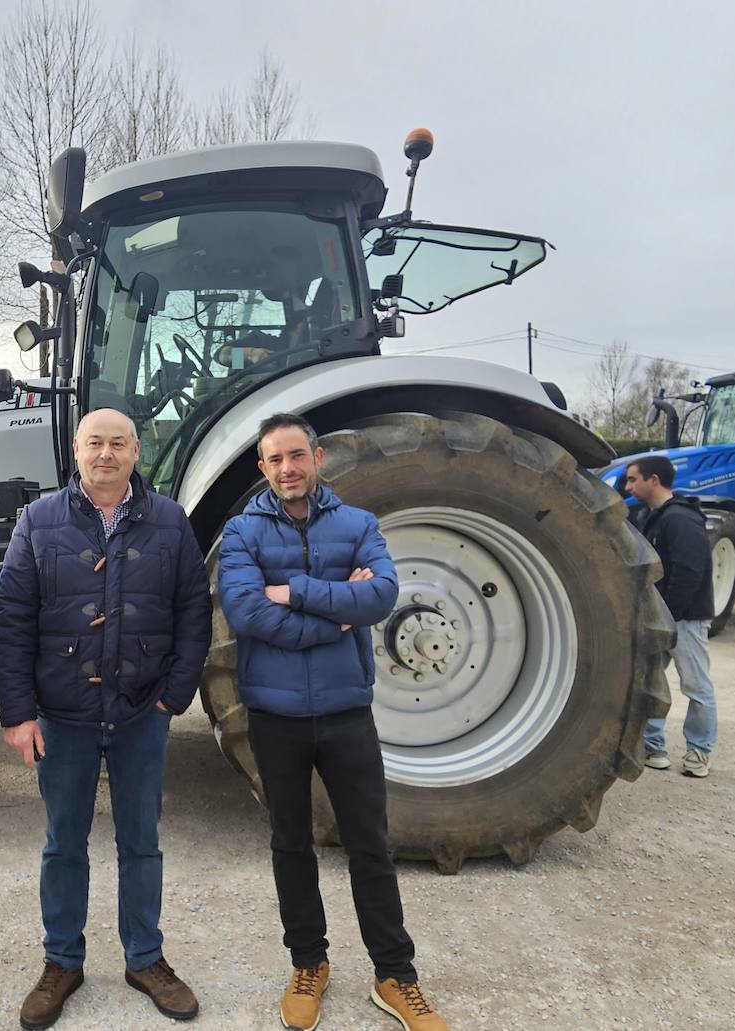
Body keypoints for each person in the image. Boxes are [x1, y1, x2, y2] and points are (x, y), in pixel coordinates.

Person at [218, 412, 449, 1031]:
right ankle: (308, 963)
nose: (287, 468)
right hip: (275, 715)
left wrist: (289, 590)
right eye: (275, 460)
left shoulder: (359, 524)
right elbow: (243, 610)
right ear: (262, 468)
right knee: (290, 843)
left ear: (317, 458)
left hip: (347, 714)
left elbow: (380, 596)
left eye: (297, 455)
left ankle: (395, 975)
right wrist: (337, 612)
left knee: (370, 844)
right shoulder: (240, 533)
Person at [0, 407, 212, 1030]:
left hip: (143, 712)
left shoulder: (169, 522)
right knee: (65, 844)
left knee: (141, 842)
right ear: (76, 449)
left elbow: (195, 613)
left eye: (119, 443)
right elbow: (13, 621)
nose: (107, 454)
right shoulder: (38, 522)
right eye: (96, 443)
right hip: (64, 717)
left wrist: (174, 694)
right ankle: (62, 961)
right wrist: (17, 713)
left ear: (137, 451)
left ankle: (145, 958)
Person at [625, 455, 718, 778]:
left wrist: (669, 615)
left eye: (632, 479)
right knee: (651, 680)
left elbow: (690, 571)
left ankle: (699, 751)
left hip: (685, 618)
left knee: (695, 685)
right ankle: (654, 747)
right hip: (661, 616)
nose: (628, 486)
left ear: (654, 480)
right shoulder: (649, 517)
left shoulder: (680, 519)